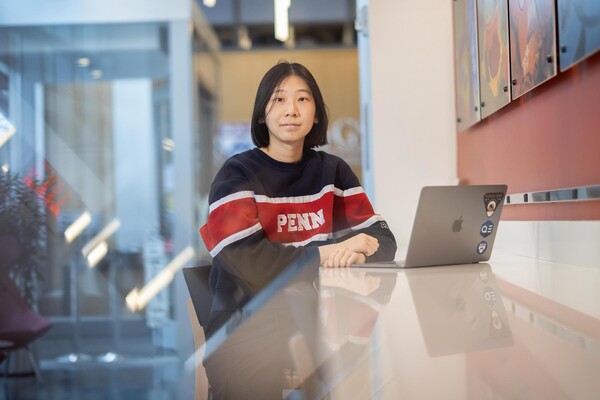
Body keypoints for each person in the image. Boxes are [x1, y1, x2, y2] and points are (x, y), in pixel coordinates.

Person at [198, 60, 397, 398]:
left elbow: (383, 241)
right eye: (278, 99)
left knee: (378, 374)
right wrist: (323, 254)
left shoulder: (333, 172)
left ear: (316, 113)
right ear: (262, 114)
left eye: (303, 100)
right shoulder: (236, 174)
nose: (291, 110)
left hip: (318, 321)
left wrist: (352, 253)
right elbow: (250, 263)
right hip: (246, 326)